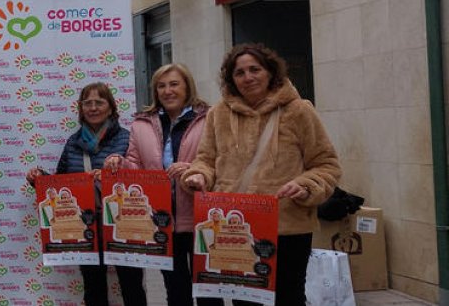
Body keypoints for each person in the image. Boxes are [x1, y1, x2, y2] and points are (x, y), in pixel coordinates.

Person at [183, 43, 341, 306]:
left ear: (270, 72)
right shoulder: (218, 114)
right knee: (245, 299)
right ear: (231, 79)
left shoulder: (299, 111)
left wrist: (305, 185)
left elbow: (326, 165)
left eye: (255, 69)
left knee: (288, 297)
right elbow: (206, 159)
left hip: (287, 225)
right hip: (235, 226)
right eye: (240, 73)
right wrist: (198, 175)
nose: (248, 77)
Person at [104, 64, 218, 306]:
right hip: (162, 221)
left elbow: (220, 161)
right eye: (161, 86)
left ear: (187, 86)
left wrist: (192, 169)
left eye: (174, 84)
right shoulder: (141, 124)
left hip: (203, 218)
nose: (168, 91)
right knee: (175, 289)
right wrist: (121, 163)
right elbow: (136, 165)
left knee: (209, 290)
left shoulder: (210, 118)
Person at [27, 82, 146, 306]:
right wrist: (39, 178)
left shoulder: (126, 138)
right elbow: (61, 183)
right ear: (81, 109)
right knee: (93, 288)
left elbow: (141, 177)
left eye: (99, 102)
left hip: (124, 223)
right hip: (86, 226)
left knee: (132, 286)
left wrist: (111, 174)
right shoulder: (73, 142)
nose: (93, 108)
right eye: (87, 103)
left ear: (110, 107)